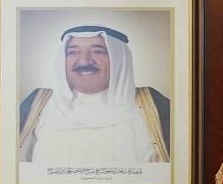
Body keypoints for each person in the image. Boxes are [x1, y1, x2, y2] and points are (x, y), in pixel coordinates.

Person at [19, 25, 170, 164]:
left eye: (98, 51)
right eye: (73, 52)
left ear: (119, 59)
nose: (84, 61)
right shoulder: (38, 104)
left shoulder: (152, 105)